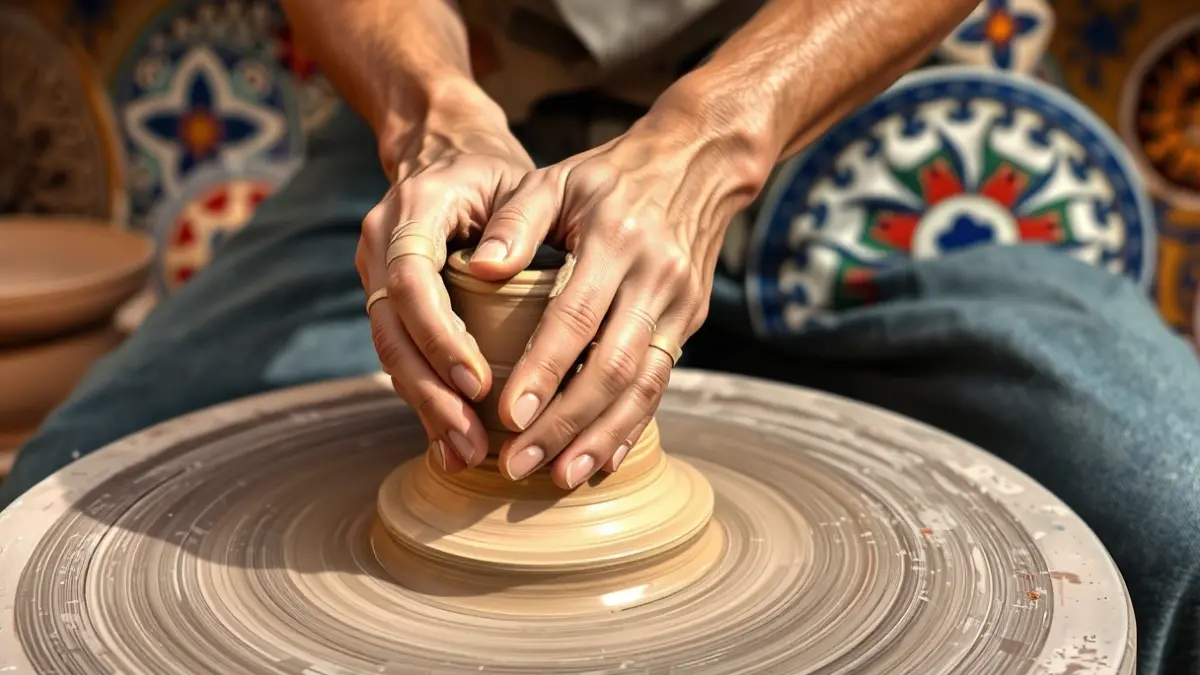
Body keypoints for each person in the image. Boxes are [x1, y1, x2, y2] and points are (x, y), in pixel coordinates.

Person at [3, 0, 1198, 672]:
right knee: (57, 518)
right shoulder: (440, 126)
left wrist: (716, 133)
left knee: (1179, 527)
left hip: (883, 135)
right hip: (472, 125)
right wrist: (427, 114)